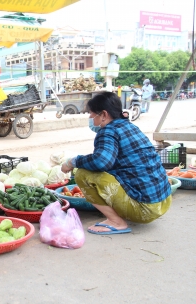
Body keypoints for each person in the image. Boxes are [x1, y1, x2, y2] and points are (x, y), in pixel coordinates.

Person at [61, 92, 171, 235]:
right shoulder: (129, 126)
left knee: (83, 174)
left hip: (145, 209)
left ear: (104, 115)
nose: (89, 118)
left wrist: (72, 161)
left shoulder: (108, 131)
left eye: (91, 113)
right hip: (163, 202)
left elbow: (101, 162)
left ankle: (116, 222)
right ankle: (117, 215)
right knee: (95, 168)